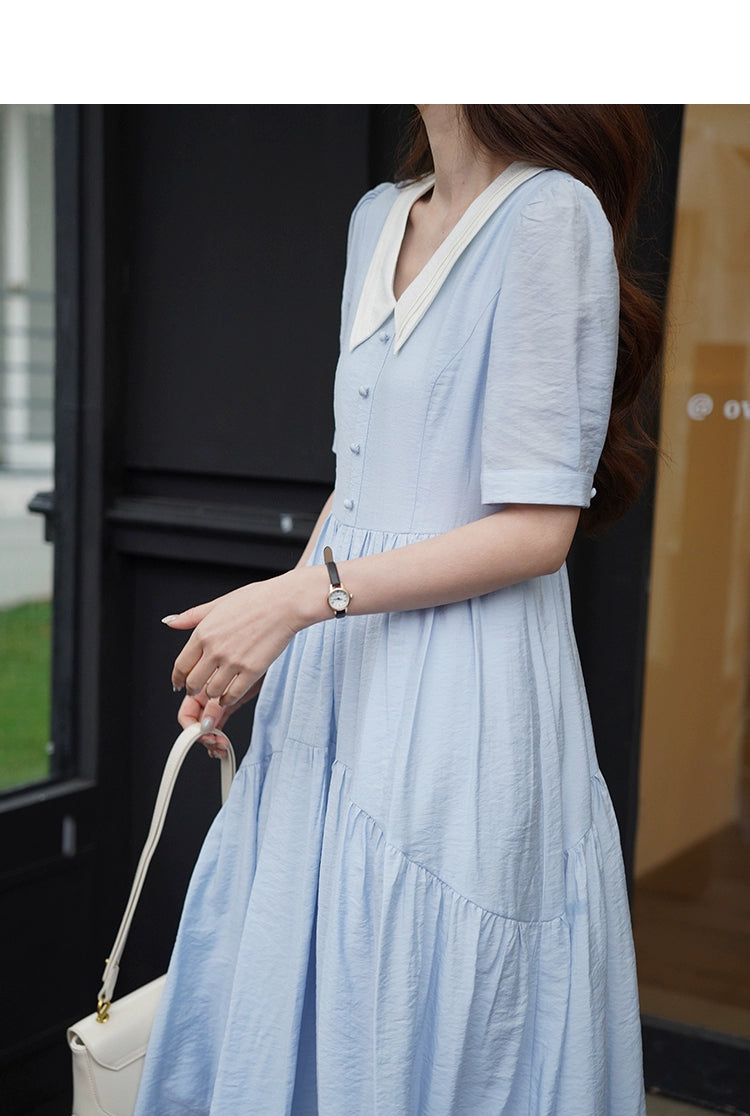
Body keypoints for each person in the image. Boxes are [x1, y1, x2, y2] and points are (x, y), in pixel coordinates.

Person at [135, 105, 661, 1115]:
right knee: (308, 954)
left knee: (416, 988)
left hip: (467, 685)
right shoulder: (376, 216)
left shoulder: (550, 217)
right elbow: (358, 484)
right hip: (340, 664)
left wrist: (301, 601)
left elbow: (537, 532)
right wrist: (263, 644)